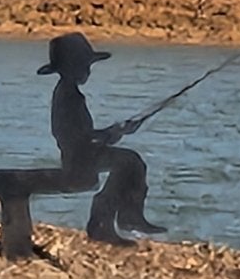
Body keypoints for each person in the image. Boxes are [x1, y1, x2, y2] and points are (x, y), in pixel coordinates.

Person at [38, 31, 164, 244]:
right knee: (130, 162)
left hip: (80, 154)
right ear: (71, 66)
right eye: (84, 64)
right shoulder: (68, 96)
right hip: (77, 159)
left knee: (130, 162)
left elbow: (82, 135)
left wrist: (114, 133)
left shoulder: (67, 93)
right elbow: (74, 137)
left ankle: (126, 218)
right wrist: (112, 134)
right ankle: (107, 221)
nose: (87, 69)